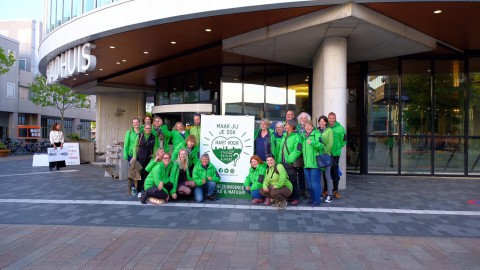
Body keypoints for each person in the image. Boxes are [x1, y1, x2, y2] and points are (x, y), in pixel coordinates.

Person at [277, 119, 302, 205]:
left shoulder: (297, 137)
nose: (285, 126)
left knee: (293, 180)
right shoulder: (284, 135)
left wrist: (289, 160)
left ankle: (296, 197)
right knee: (287, 180)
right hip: (283, 162)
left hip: (290, 163)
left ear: (291, 127)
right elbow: (281, 149)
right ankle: (290, 196)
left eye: (286, 125)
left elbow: (297, 150)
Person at [131, 124, 159, 198]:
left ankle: (145, 189)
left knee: (146, 174)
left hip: (149, 159)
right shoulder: (140, 135)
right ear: (144, 129)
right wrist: (134, 156)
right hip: (140, 158)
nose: (148, 129)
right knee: (139, 174)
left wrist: (154, 156)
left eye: (149, 128)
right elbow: (135, 146)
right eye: (146, 128)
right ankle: (139, 190)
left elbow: (155, 147)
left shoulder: (153, 137)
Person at [301, 120, 323, 206]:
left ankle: (317, 201)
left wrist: (313, 142)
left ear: (312, 126)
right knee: (309, 185)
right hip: (306, 165)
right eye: (306, 126)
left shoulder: (317, 134)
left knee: (315, 184)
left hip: (315, 164)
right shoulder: (304, 137)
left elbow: (321, 145)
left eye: (309, 125)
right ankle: (312, 199)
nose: (307, 127)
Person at [328, 112, 347, 199]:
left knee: (335, 172)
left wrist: (337, 147)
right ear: (328, 119)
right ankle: (326, 189)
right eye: (330, 118)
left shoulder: (340, 128)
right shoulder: (326, 127)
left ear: (335, 119)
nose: (331, 120)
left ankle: (335, 190)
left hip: (335, 154)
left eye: (333, 118)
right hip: (326, 153)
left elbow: (344, 140)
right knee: (327, 172)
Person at [318, 115, 334, 203]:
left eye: (323, 121)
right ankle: (320, 193)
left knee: (327, 176)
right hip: (319, 156)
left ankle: (330, 194)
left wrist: (324, 150)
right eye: (320, 121)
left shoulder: (329, 130)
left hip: (326, 155)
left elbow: (331, 143)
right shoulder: (316, 131)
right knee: (320, 176)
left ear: (326, 122)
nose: (322, 123)